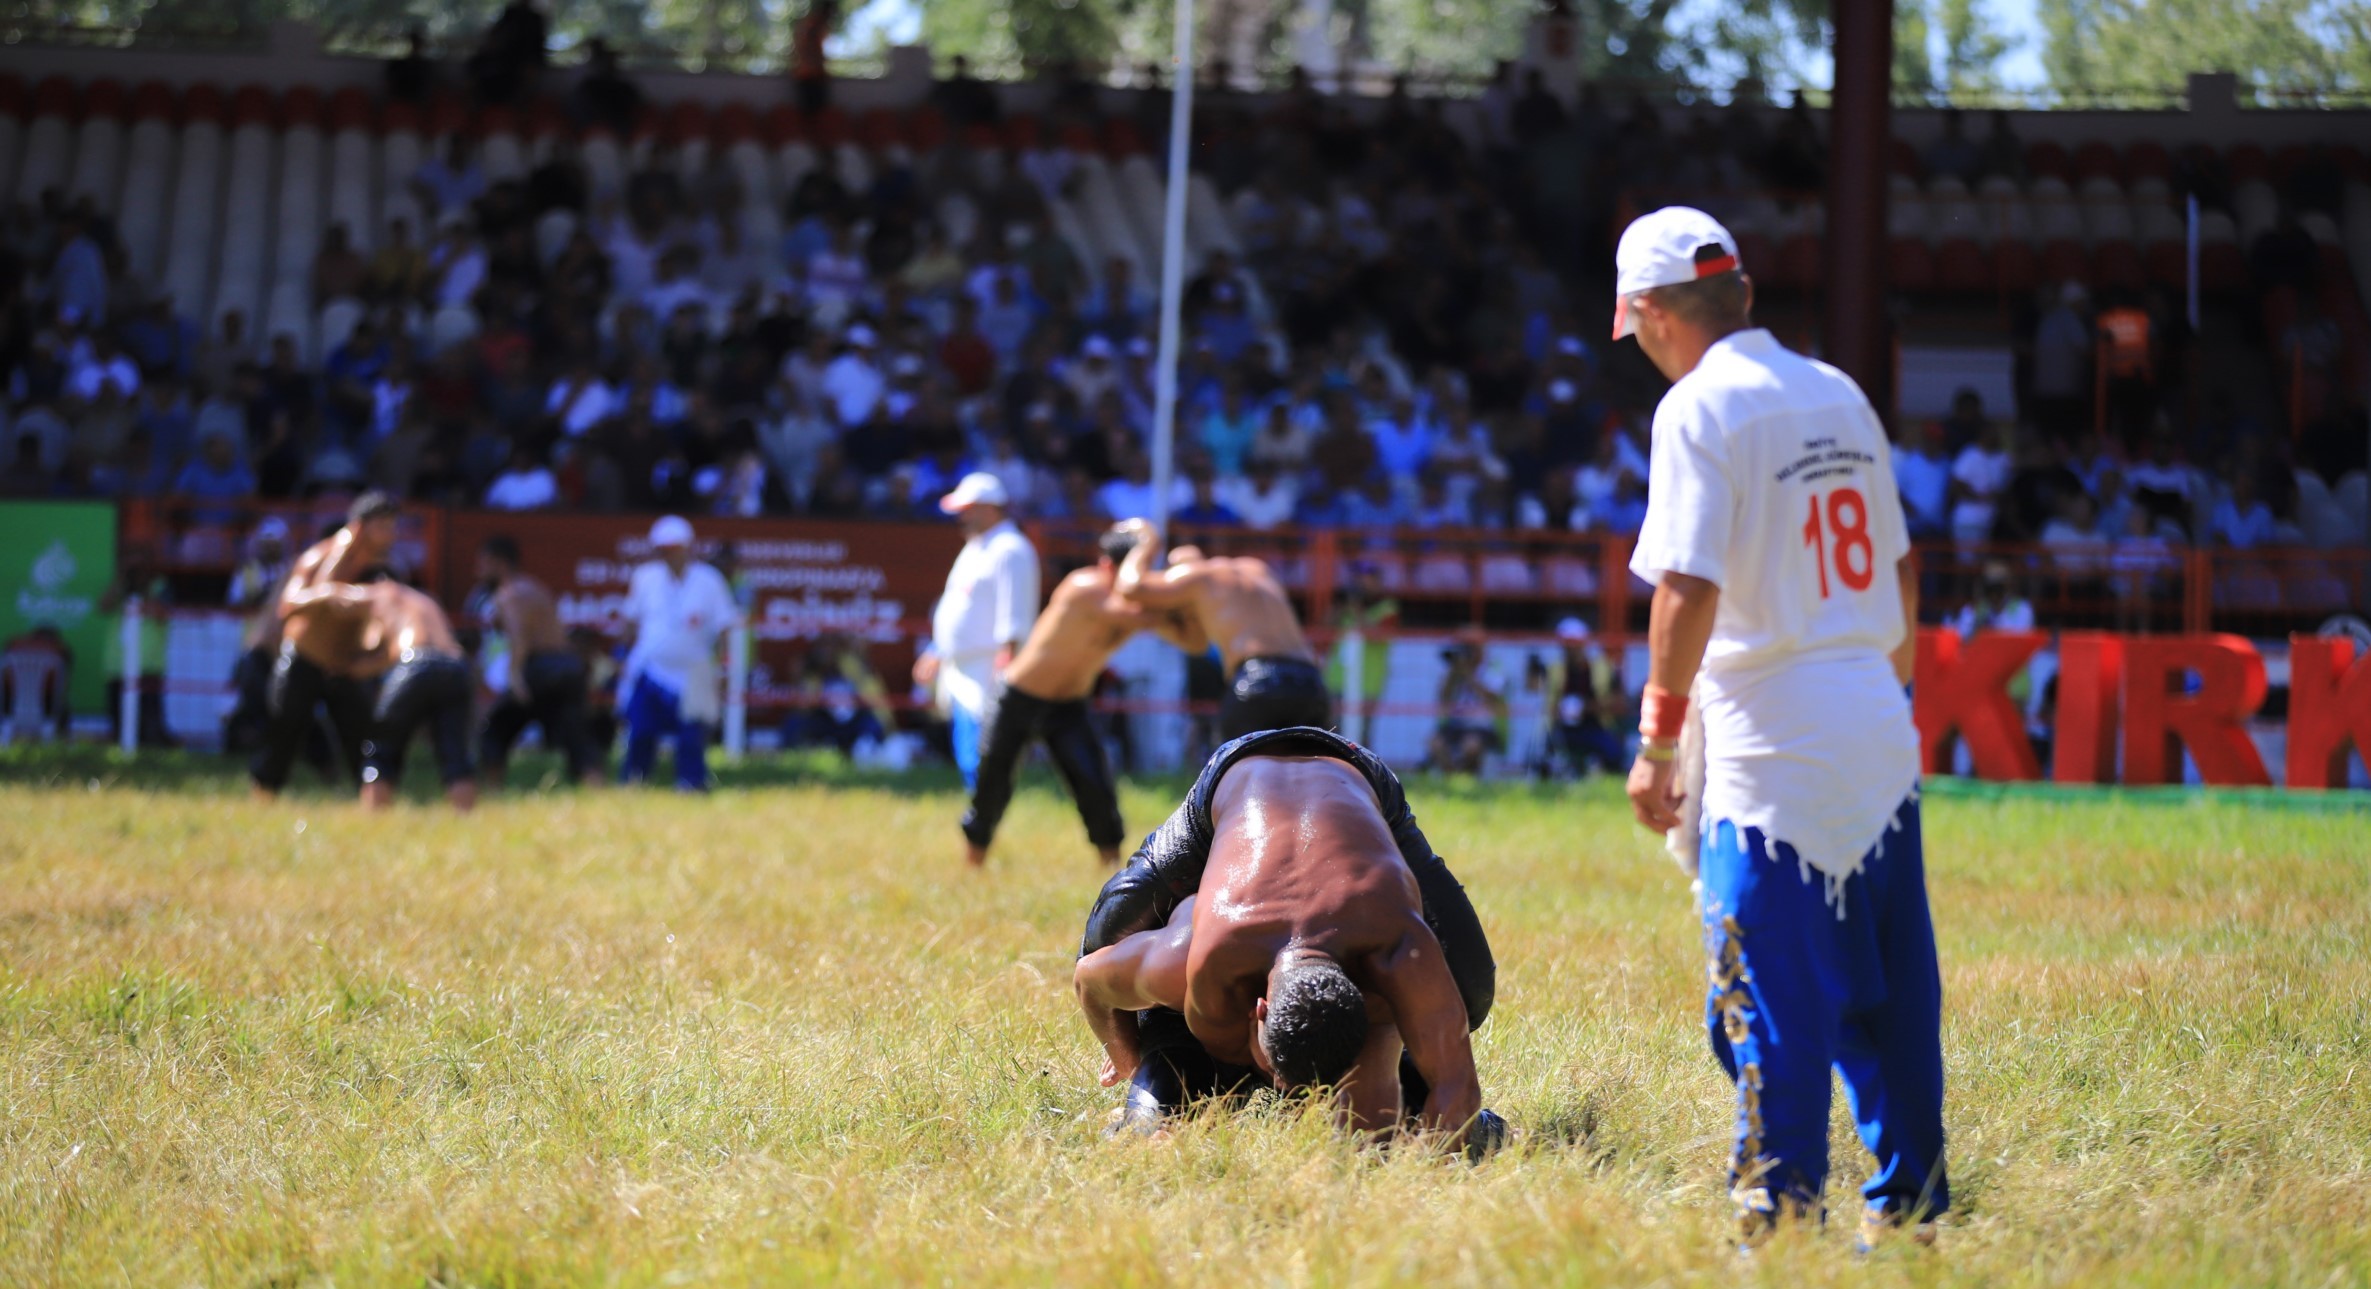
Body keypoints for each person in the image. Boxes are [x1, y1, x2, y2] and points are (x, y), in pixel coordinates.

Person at [1612, 208, 1944, 1245]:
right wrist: (1876, 692)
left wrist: (1658, 741)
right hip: (1873, 722)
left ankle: (1779, 1211)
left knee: (1764, 997)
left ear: (1651, 314)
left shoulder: (1695, 410)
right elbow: (1899, 570)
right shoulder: (1836, 390)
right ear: (1743, 295)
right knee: (1891, 998)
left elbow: (1686, 587)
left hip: (1769, 743)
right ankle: (1912, 1208)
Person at [1074, 727, 1504, 1150]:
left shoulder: (1401, 952)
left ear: (1365, 999)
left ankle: (1404, 1070)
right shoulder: (1183, 958)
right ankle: (1170, 1055)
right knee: (1106, 932)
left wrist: (1434, 1139)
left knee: (1470, 987)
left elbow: (1458, 1095)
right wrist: (1127, 1056)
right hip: (1239, 776)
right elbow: (1089, 977)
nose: (1294, 1102)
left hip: (1355, 783)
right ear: (1258, 1009)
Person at [961, 526, 1206, 868]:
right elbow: (1153, 614)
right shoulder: (1085, 587)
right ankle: (972, 867)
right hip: (1018, 698)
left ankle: (1110, 870)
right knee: (992, 785)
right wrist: (1152, 545)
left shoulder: (1134, 606)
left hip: (1068, 707)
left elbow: (1195, 642)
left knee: (1095, 786)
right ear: (1107, 566)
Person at [1112, 520, 1330, 741]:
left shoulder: (1196, 575)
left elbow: (1131, 587)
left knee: (1229, 770)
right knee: (1313, 770)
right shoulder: (1256, 568)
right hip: (1311, 682)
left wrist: (1148, 541)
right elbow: (1197, 643)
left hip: (1260, 681)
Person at [251, 496, 400, 798]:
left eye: (391, 526)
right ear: (359, 528)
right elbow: (289, 605)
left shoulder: (381, 570)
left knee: (364, 741)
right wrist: (328, 591)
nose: (390, 534)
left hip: (343, 667)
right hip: (304, 660)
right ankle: (262, 800)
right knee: (283, 736)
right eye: (382, 527)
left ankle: (374, 807)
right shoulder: (317, 558)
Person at [915, 473, 1039, 792]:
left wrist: (1006, 666)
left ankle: (986, 813)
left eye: (968, 508)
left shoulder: (1011, 549)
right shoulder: (977, 547)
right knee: (968, 746)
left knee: (985, 749)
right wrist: (936, 651)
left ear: (989, 508)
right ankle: (980, 810)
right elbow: (961, 606)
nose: (962, 516)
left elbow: (1015, 614)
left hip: (988, 667)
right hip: (962, 666)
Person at [618, 515, 740, 790]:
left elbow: (724, 629)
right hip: (651, 668)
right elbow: (630, 622)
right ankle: (634, 783)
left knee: (691, 736)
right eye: (663, 549)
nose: (668, 555)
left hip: (695, 669)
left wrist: (724, 669)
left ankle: (691, 785)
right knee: (640, 731)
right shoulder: (645, 577)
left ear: (688, 547)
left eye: (673, 548)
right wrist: (621, 656)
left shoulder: (710, 581)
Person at [477, 535, 599, 786]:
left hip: (542, 668)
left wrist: (515, 677)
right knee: (575, 737)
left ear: (500, 563)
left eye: (484, 563)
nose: (477, 571)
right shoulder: (534, 587)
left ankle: (490, 793)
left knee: (495, 731)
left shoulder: (508, 593)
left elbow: (520, 638)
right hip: (568, 666)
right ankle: (598, 790)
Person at [347, 577, 478, 811]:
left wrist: (346, 668)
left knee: (381, 750)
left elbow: (374, 647)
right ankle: (466, 817)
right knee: (455, 752)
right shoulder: (426, 600)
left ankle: (373, 820)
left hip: (414, 663)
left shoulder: (380, 594)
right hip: (455, 667)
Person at [1546, 616, 1627, 778]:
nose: (1572, 649)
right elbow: (1544, 700)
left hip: (1596, 727)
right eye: (1568, 644)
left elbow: (1619, 701)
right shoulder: (1554, 669)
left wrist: (1585, 707)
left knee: (1613, 752)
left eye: (1576, 644)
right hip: (1563, 731)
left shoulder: (1603, 667)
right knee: (1548, 753)